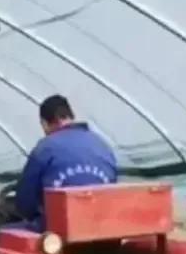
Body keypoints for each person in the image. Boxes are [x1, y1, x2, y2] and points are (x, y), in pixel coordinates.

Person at [11, 94, 118, 232]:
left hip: (59, 231)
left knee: (5, 232)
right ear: (71, 116)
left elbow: (25, 202)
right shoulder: (102, 145)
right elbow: (112, 186)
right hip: (101, 226)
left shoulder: (45, 148)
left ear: (44, 123)